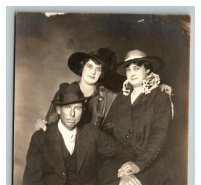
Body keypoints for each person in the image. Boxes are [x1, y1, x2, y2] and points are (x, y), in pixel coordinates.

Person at [21, 81, 135, 185]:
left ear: (83, 110)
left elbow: (122, 152)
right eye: (67, 108)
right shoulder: (41, 138)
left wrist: (126, 172)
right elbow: (31, 182)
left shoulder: (91, 133)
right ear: (58, 110)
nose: (72, 114)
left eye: (78, 108)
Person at [97, 49, 178, 185]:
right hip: (124, 159)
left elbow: (160, 136)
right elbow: (109, 128)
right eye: (128, 69)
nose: (132, 73)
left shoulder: (160, 96)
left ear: (147, 69)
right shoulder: (122, 98)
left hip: (154, 162)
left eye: (137, 67)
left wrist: (137, 165)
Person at [36, 48, 172, 131]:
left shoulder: (108, 95)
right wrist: (42, 124)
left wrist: (157, 87)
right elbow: (50, 122)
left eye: (98, 69)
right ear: (82, 67)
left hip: (93, 155)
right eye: (90, 67)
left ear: (102, 74)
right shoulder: (64, 91)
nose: (93, 72)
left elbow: (135, 89)